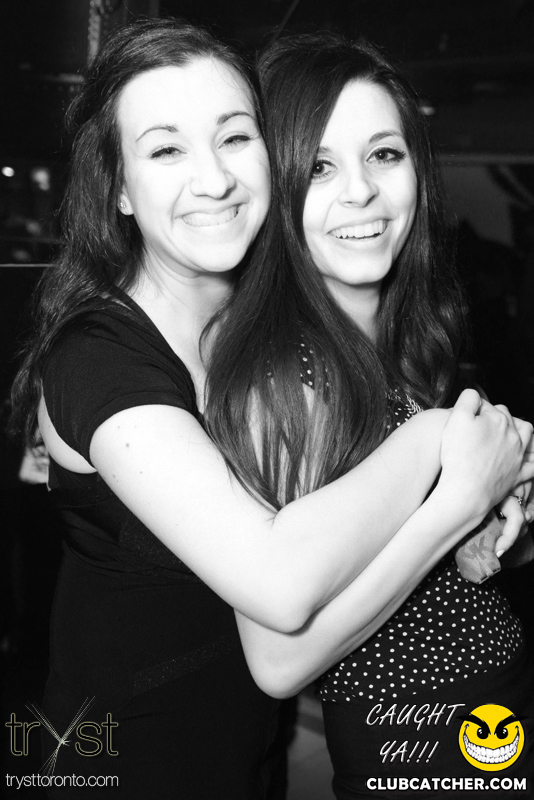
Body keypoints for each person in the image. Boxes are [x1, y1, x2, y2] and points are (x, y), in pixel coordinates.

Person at [8, 18, 531, 799]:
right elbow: (279, 591)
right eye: (166, 150)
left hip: (250, 752)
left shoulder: (262, 333)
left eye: (233, 137)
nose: (213, 179)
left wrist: (489, 496)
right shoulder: (100, 356)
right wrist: (444, 455)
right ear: (117, 187)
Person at [203, 32, 534, 797]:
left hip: (489, 703)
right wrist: (459, 503)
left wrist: (502, 513)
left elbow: (439, 565)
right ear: (274, 187)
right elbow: (279, 661)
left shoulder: (398, 343)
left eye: (384, 154)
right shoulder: (285, 370)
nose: (360, 191)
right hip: (420, 728)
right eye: (320, 167)